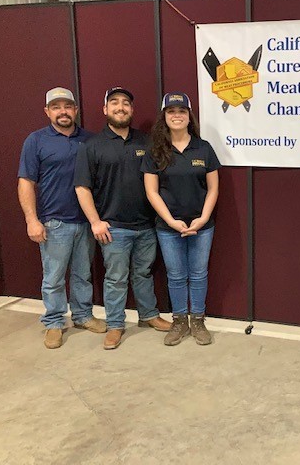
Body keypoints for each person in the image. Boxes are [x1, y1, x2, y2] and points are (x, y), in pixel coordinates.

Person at [74, 87, 171, 350]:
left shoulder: (147, 142)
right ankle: (116, 325)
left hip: (147, 226)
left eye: (126, 103)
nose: (120, 107)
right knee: (116, 278)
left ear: (132, 110)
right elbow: (82, 188)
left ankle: (149, 315)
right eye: (114, 103)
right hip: (113, 228)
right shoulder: (91, 146)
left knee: (143, 273)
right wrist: (95, 221)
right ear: (105, 109)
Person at [18, 87, 105, 349]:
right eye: (56, 107)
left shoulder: (89, 140)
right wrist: (31, 220)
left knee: (82, 274)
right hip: (54, 223)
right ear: (47, 111)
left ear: (76, 110)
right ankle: (54, 322)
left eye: (67, 106)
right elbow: (25, 182)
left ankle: (82, 316)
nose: (63, 111)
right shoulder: (36, 141)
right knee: (54, 277)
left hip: (86, 222)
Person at [142, 92, 220, 346]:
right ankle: (179, 322)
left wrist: (203, 218)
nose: (177, 116)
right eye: (171, 111)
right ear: (164, 117)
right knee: (176, 276)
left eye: (182, 111)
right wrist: (171, 221)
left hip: (202, 226)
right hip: (168, 227)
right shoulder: (155, 151)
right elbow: (151, 192)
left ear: (189, 116)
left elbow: (213, 189)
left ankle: (197, 320)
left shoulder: (204, 148)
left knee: (198, 274)